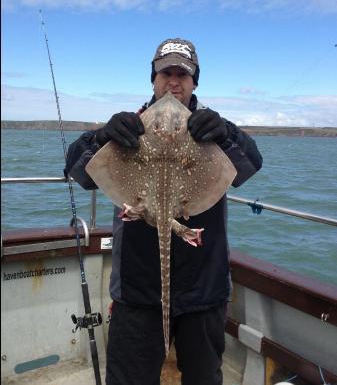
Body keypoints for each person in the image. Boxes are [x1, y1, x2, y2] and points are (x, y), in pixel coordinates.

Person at [65, 38, 263, 385]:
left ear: (194, 81)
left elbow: (249, 167)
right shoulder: (132, 127)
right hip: (137, 291)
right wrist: (101, 137)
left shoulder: (212, 129)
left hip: (203, 290)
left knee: (203, 378)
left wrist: (226, 133)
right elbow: (79, 172)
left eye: (182, 75)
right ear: (153, 80)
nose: (174, 82)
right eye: (165, 73)